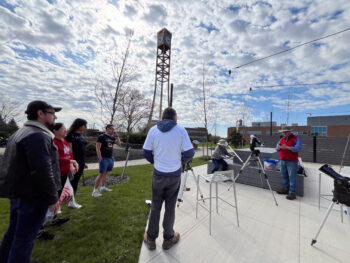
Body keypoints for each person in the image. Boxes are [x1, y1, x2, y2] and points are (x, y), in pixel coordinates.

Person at [0, 100, 61, 263]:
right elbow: (42, 170)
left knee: (13, 232)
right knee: (25, 238)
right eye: (52, 112)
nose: (55, 116)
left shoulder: (20, 133)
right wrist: (53, 197)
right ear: (40, 113)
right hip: (33, 196)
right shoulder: (38, 135)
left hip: (19, 194)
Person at [143, 107, 194, 250]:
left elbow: (146, 152)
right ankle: (168, 239)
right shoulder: (181, 130)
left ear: (162, 117)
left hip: (158, 175)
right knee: (170, 207)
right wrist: (179, 161)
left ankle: (151, 239)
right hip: (174, 176)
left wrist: (156, 161)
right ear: (175, 117)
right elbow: (190, 153)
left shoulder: (153, 130)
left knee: (156, 206)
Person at [52, 123, 79, 208]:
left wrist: (71, 164)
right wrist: (72, 161)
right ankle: (54, 211)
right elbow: (57, 158)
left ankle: (65, 204)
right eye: (63, 128)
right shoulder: (53, 142)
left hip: (66, 171)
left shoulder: (65, 141)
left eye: (65, 128)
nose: (65, 130)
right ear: (55, 131)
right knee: (57, 191)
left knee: (66, 189)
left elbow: (70, 154)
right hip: (58, 172)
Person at [92, 124, 121, 197]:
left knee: (105, 173)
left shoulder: (112, 137)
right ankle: (95, 191)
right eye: (112, 129)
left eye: (114, 129)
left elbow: (119, 143)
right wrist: (99, 157)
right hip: (103, 158)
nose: (113, 130)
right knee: (101, 173)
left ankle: (102, 187)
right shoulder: (101, 137)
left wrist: (117, 136)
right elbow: (98, 147)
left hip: (110, 158)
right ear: (108, 129)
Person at [66, 118, 88, 207]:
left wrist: (84, 162)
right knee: (72, 182)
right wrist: (72, 163)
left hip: (81, 162)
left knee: (75, 182)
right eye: (84, 125)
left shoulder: (81, 136)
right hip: (75, 162)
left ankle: (71, 201)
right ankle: (71, 202)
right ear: (79, 125)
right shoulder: (70, 135)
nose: (86, 127)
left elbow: (82, 150)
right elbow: (69, 151)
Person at [276, 126, 302, 200]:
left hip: (292, 161)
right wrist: (278, 148)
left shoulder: (296, 138)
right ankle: (285, 189)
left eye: (285, 131)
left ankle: (292, 193)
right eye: (283, 132)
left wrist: (287, 147)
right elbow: (276, 148)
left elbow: (299, 148)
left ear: (290, 131)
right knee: (284, 175)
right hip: (283, 160)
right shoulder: (281, 139)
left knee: (292, 177)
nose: (284, 133)